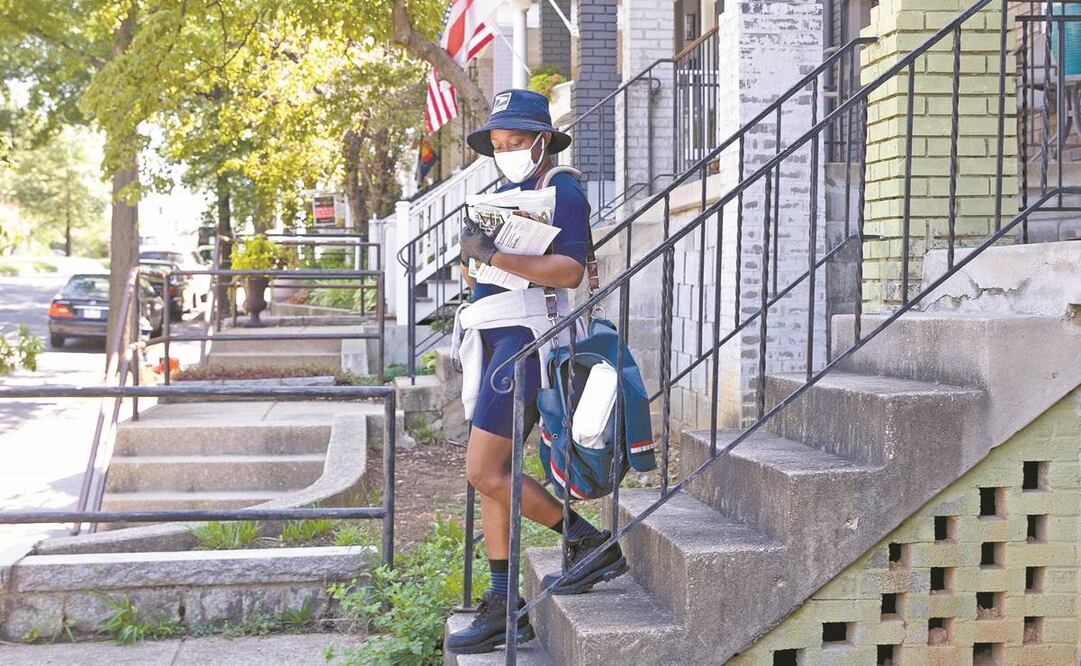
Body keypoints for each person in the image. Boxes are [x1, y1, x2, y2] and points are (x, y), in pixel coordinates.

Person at [445, 89, 628, 655]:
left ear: (543, 139)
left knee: (483, 472)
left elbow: (570, 270)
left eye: (517, 142)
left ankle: (588, 541)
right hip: (494, 336)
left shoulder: (562, 188)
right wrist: (473, 255)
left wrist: (493, 255)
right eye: (498, 144)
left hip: (527, 341)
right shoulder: (501, 192)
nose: (506, 153)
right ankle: (504, 605)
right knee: (494, 472)